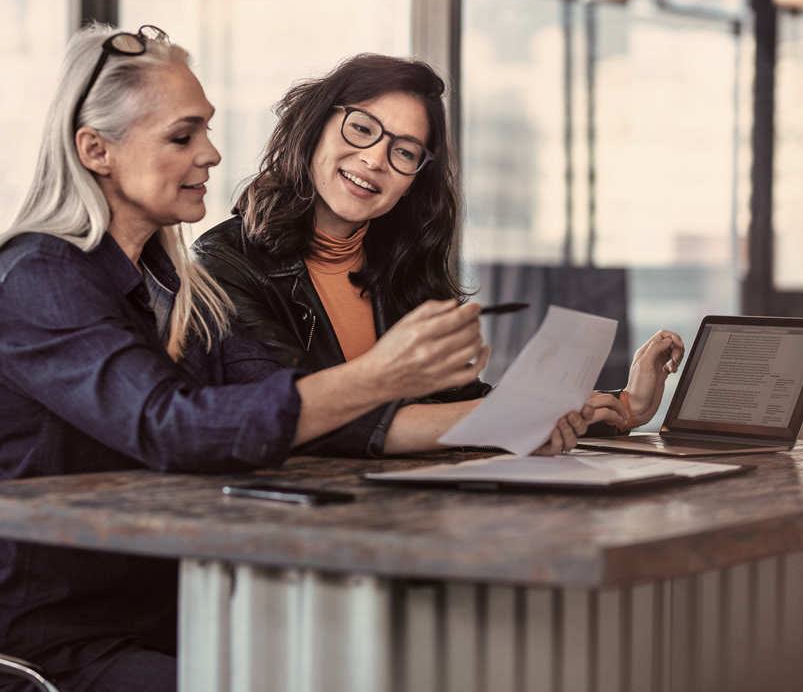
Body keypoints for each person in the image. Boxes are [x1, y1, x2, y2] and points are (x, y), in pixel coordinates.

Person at [0, 26, 591, 692]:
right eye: (182, 136)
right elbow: (174, 427)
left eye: (207, 132)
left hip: (165, 617)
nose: (212, 155)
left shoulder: (178, 283)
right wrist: (381, 374)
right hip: (47, 645)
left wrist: (516, 418)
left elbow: (296, 408)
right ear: (95, 150)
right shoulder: (36, 275)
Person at [194, 53, 685, 457]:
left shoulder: (399, 266)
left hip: (404, 515)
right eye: (361, 128)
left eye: (404, 152)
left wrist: (625, 406)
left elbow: (457, 404)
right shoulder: (223, 265)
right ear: (315, 126)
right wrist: (517, 418)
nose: (375, 159)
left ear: (413, 182)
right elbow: (300, 418)